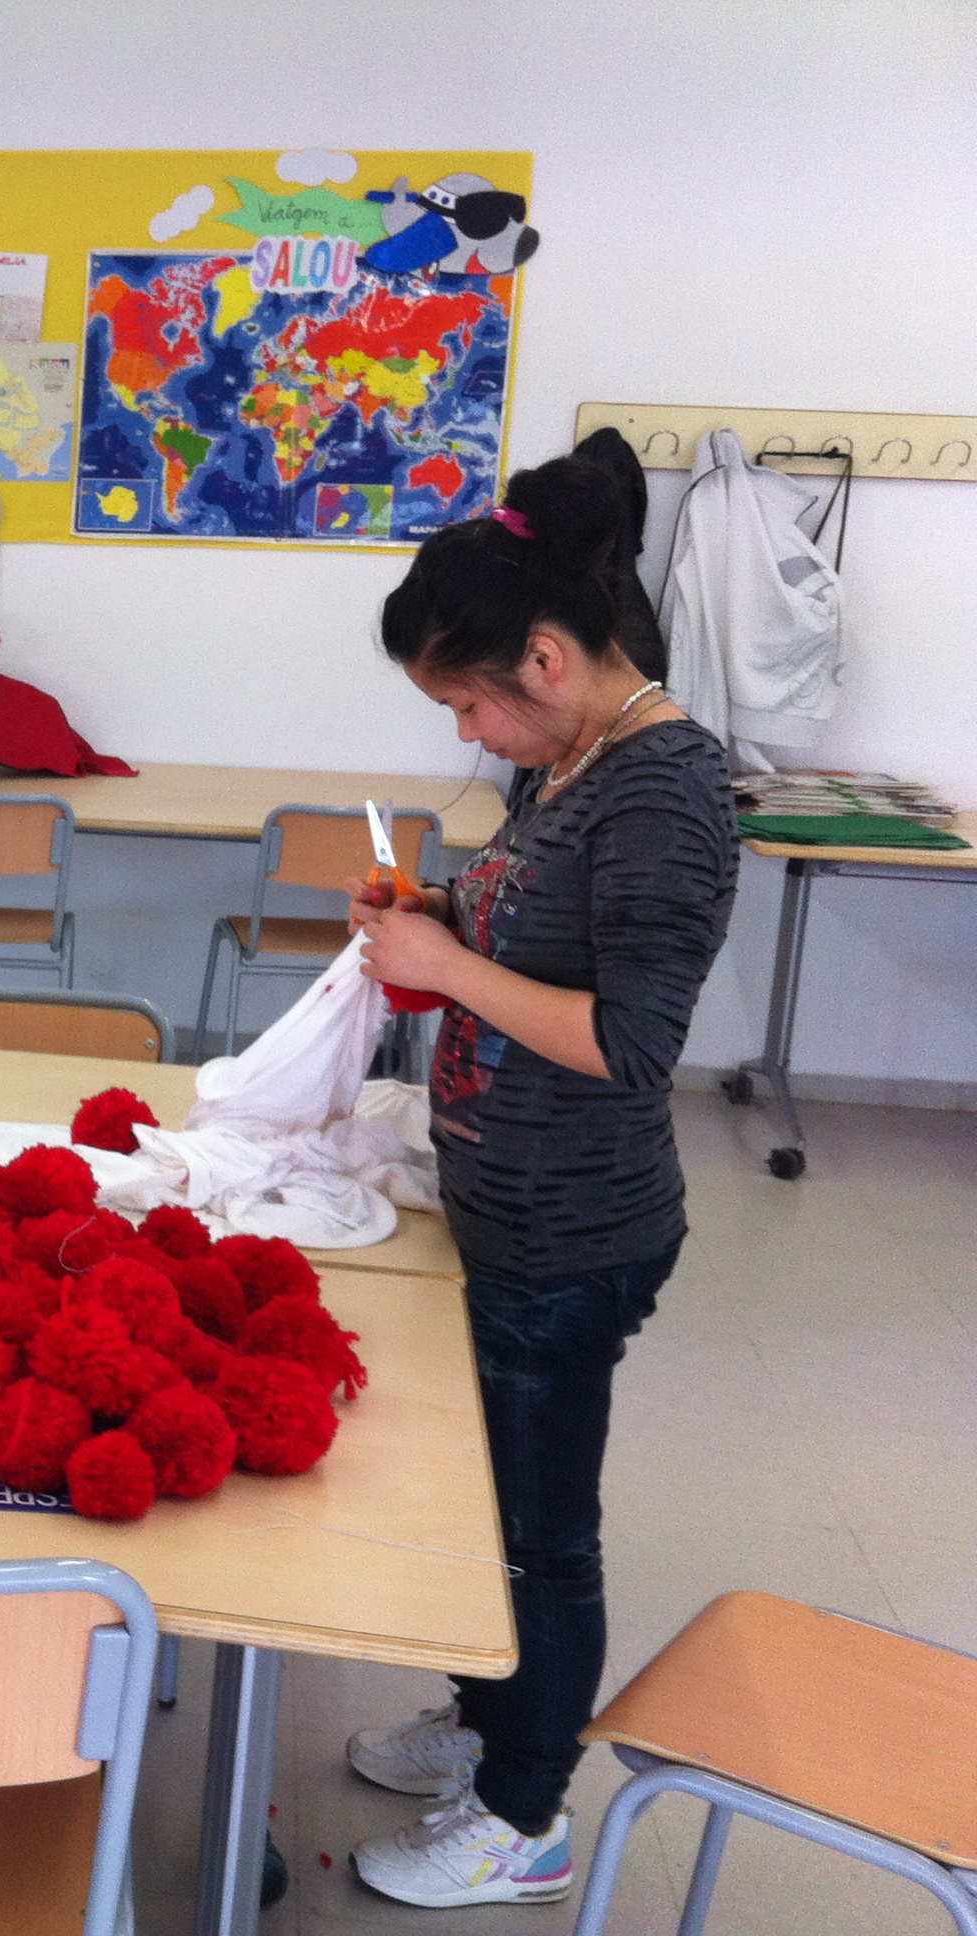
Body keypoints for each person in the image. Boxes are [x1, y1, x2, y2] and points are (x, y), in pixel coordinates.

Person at [339, 460, 739, 1908]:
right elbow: (537, 925)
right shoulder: (565, 758)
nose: (467, 731)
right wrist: (439, 911)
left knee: (540, 1536)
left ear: (549, 660)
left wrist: (445, 968)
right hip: (502, 1205)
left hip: (573, 1236)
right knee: (484, 1504)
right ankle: (486, 1720)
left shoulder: (665, 791)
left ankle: (526, 1815)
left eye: (470, 703)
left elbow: (630, 1041)